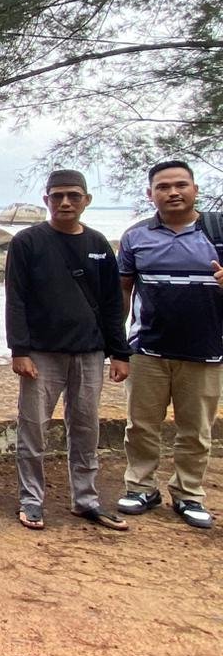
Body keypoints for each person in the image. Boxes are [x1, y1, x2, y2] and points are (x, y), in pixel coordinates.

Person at [5, 169, 131, 531]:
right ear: (46, 200)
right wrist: (20, 350)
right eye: (57, 196)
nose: (65, 202)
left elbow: (111, 303)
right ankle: (31, 501)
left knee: (86, 428)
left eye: (73, 196)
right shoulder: (28, 242)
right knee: (33, 428)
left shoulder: (98, 244)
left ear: (86, 200)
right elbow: (16, 300)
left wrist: (119, 352)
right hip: (42, 353)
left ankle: (86, 500)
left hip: (90, 352)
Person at [117, 160, 223, 529]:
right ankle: (140, 487)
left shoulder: (219, 230)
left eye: (180, 185)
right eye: (163, 187)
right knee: (141, 424)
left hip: (206, 350)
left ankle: (189, 494)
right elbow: (125, 291)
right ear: (150, 194)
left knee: (196, 429)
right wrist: (117, 344)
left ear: (195, 188)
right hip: (148, 348)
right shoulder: (135, 236)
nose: (172, 192)